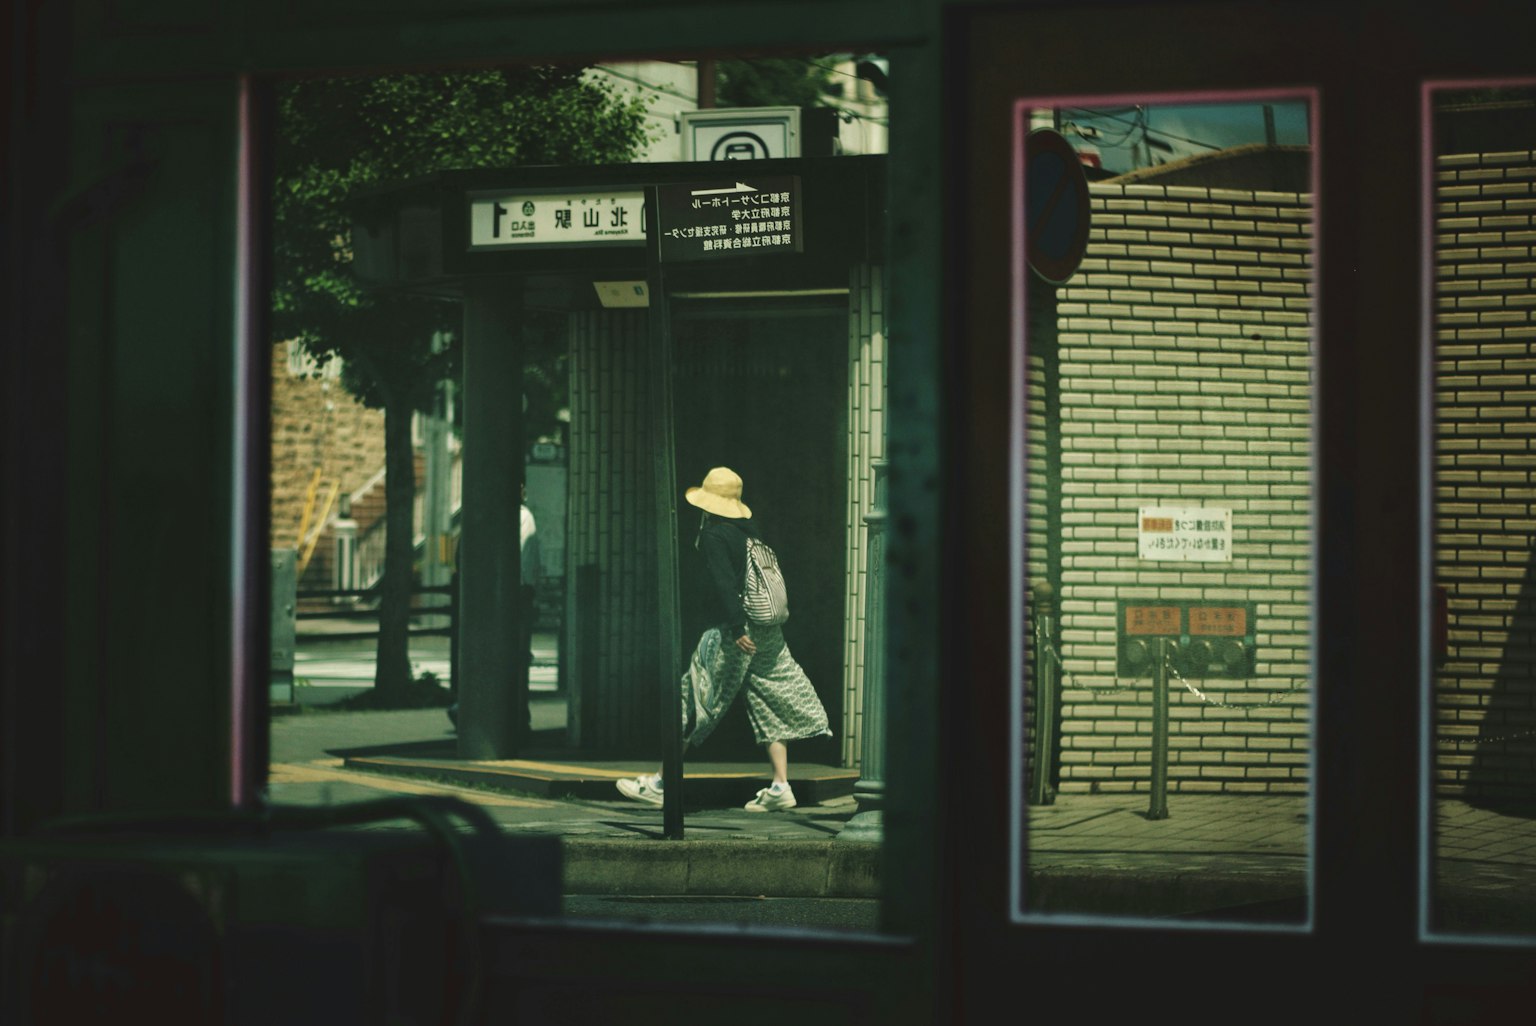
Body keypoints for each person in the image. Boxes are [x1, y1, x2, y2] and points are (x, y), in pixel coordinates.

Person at [617, 466, 831, 812]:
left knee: (697, 695)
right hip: (767, 629)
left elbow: (722, 583)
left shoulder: (716, 536)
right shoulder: (750, 533)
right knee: (770, 698)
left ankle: (660, 783)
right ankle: (780, 785)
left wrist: (734, 629)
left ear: (708, 503)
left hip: (736, 631)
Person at [448, 480, 540, 729]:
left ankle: (471, 708)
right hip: (515, 596)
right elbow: (525, 561)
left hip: (481, 599)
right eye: (520, 484)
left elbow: (461, 557)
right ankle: (516, 715)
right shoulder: (522, 517)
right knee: (516, 657)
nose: (524, 489)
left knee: (485, 655)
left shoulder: (480, 517)